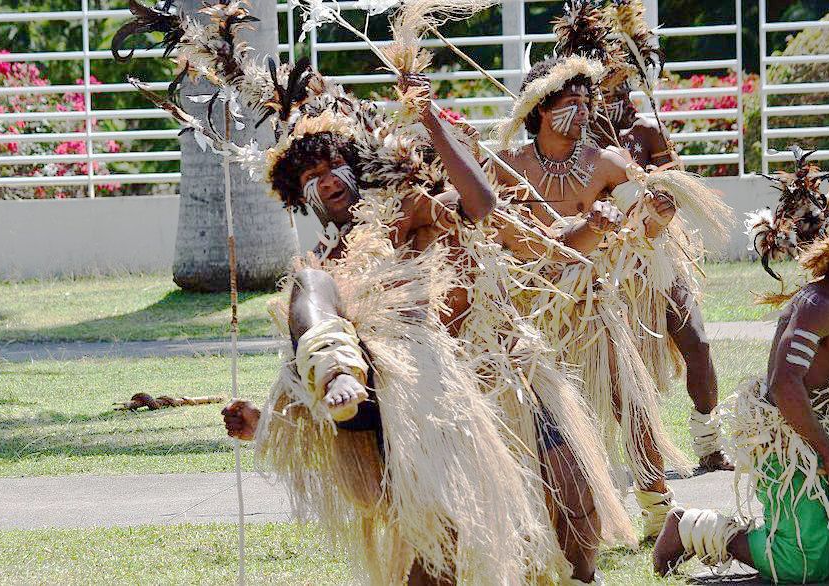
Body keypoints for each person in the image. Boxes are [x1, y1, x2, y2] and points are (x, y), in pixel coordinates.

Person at [222, 50, 634, 583]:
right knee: (440, 542)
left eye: (331, 167)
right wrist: (266, 424)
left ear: (357, 164)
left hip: (503, 368)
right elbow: (307, 367)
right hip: (428, 403)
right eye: (310, 178)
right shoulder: (323, 269)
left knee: (574, 501)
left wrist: (429, 118)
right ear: (298, 197)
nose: (324, 182)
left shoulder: (410, 208)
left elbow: (489, 210)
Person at [653, 172, 829, 583]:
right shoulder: (818, 305)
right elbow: (783, 385)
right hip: (783, 434)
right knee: (799, 567)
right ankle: (688, 527)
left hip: (822, 427)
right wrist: (828, 452)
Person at [554, 0, 734, 472]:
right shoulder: (574, 137)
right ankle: (631, 458)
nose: (618, 82)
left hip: (655, 252)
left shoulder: (648, 132)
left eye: (624, 71)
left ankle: (709, 442)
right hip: (604, 262)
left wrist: (659, 196)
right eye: (608, 74)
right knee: (618, 369)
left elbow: (674, 195)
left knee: (696, 341)